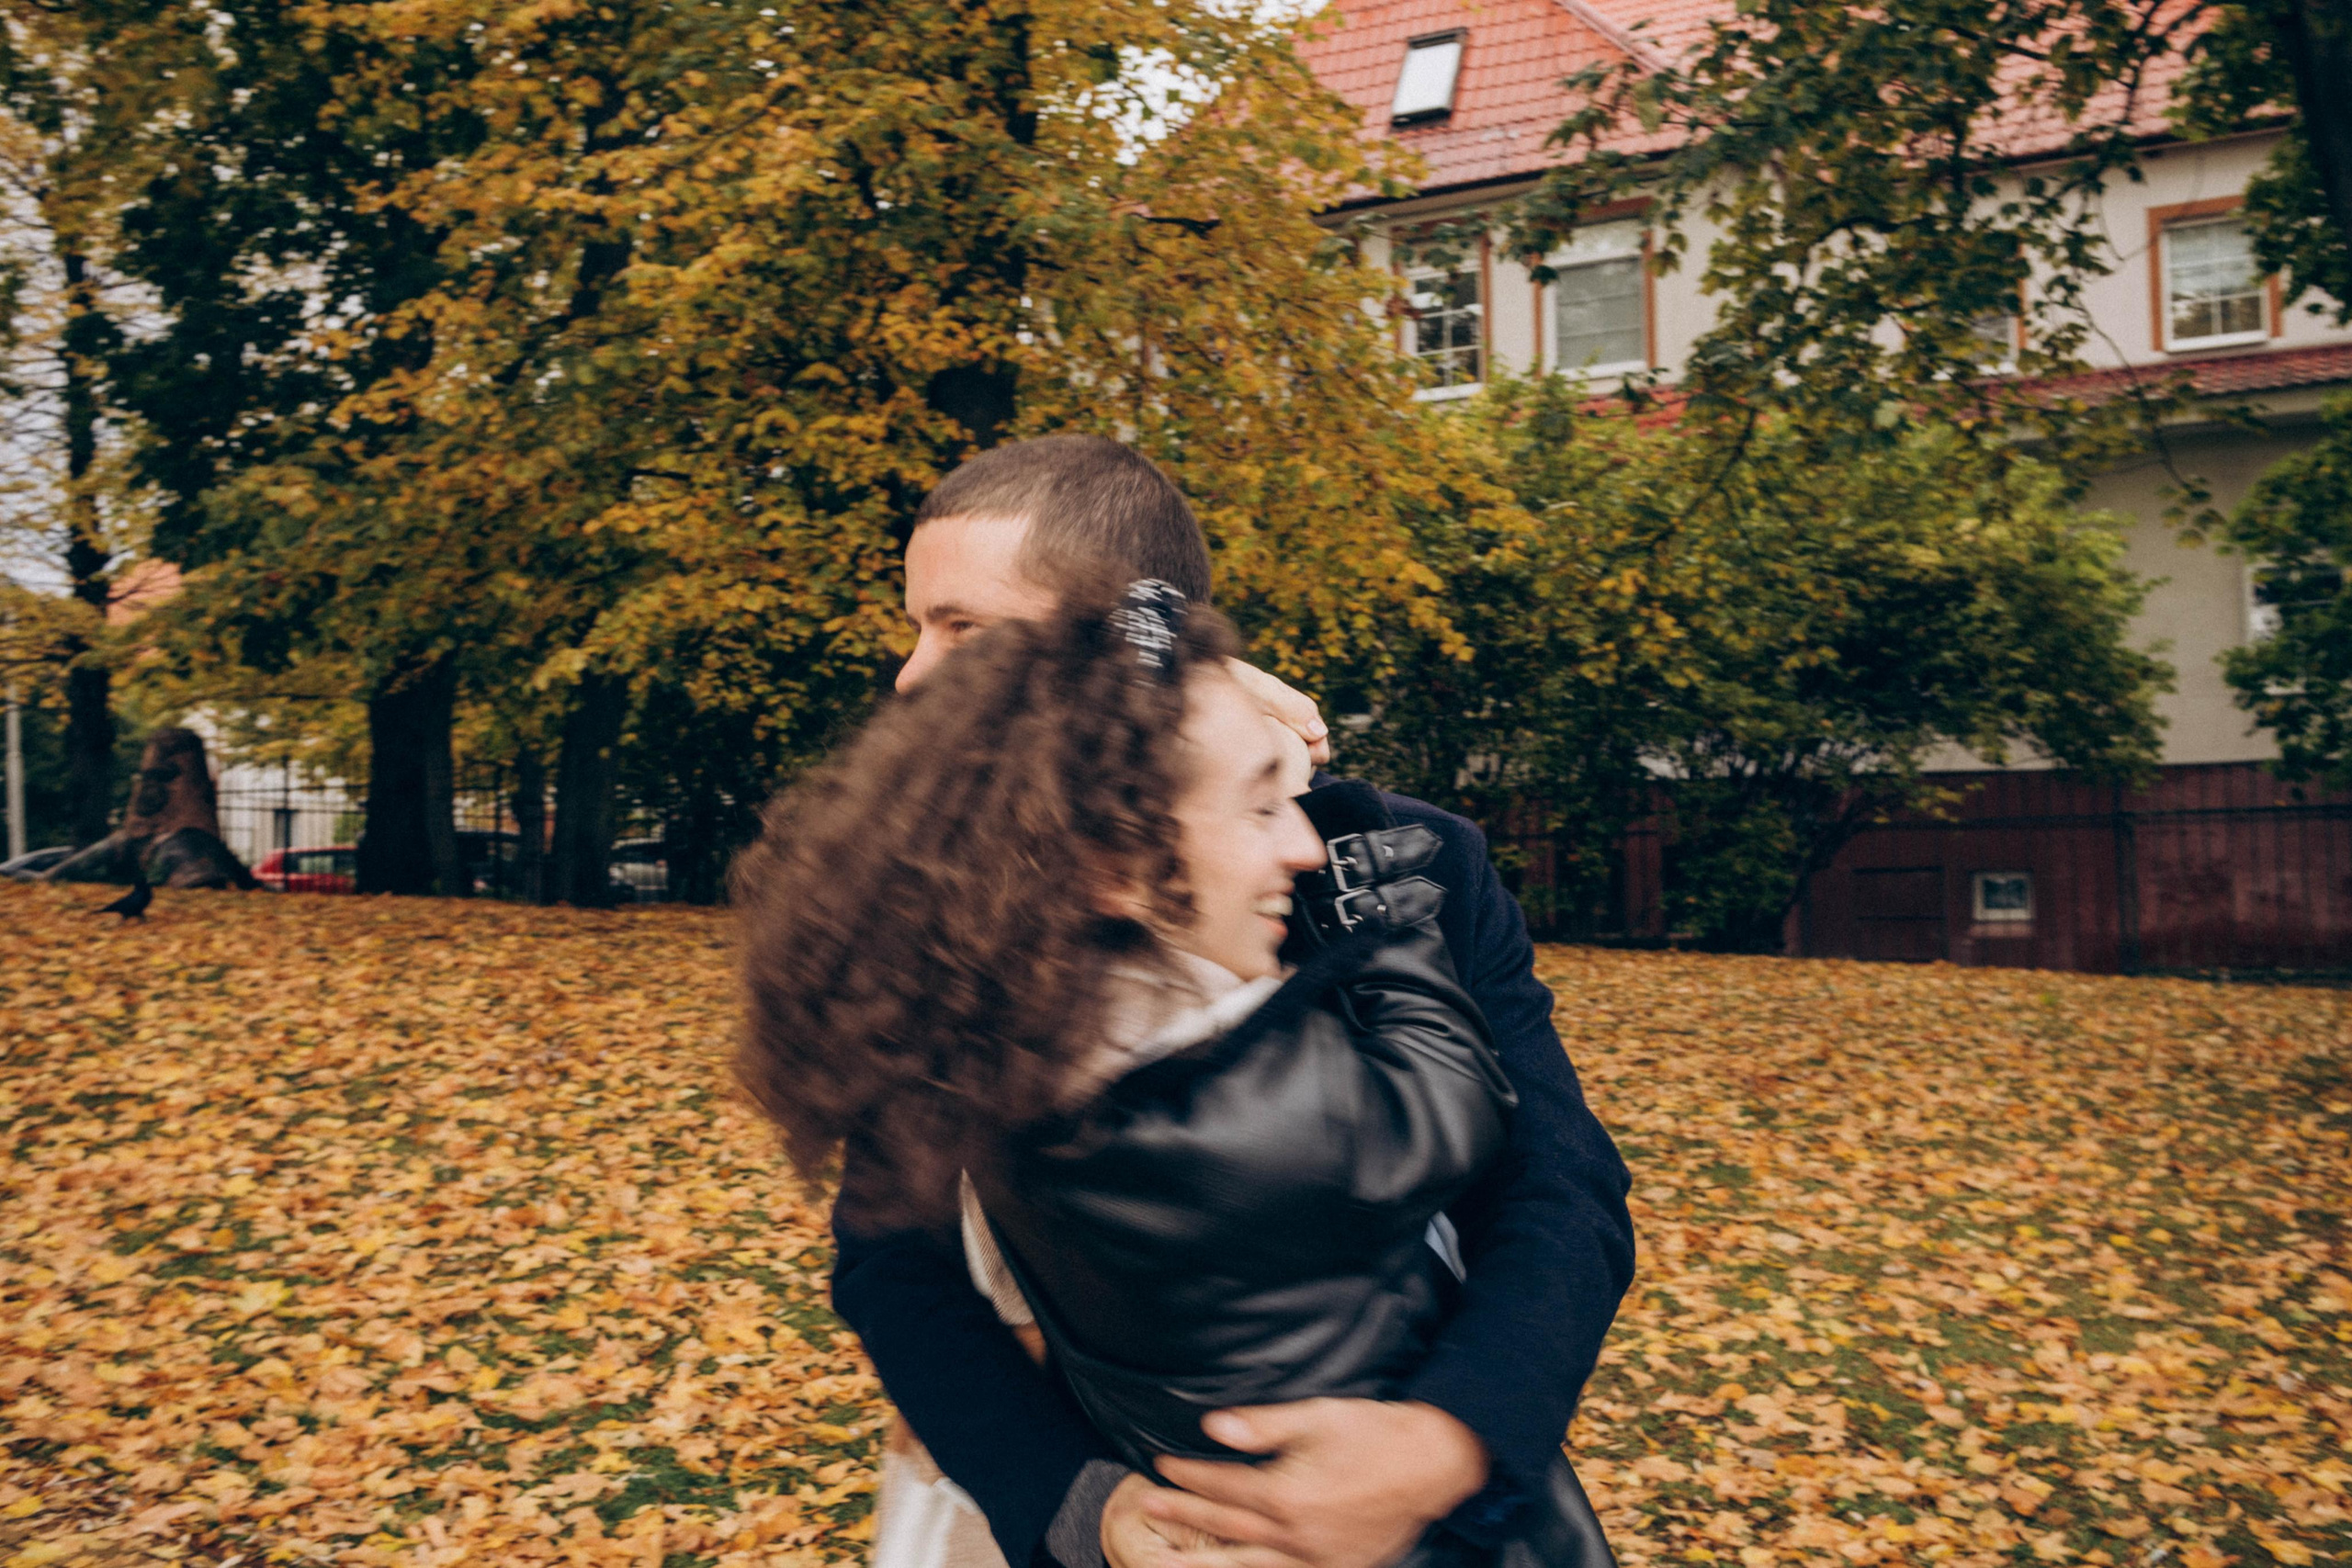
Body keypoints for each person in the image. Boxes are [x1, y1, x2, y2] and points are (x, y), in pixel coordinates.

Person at [838, 436, 1634, 1568]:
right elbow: (891, 1263)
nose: (913, 674)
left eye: (961, 627)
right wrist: (1084, 1510)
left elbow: (1561, 1186)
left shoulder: (1403, 864)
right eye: (917, 625)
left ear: (1114, 631)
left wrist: (1445, 1441)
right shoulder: (942, 909)